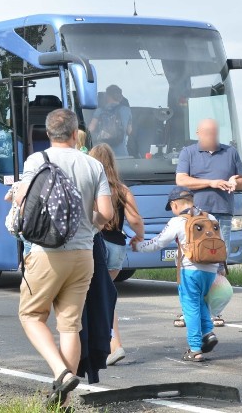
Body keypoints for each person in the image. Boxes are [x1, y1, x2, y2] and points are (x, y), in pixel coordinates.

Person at [17, 108, 113, 408]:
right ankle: (63, 400)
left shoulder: (37, 160)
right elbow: (107, 215)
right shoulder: (93, 165)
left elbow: (23, 200)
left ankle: (60, 372)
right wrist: (87, 225)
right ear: (75, 134)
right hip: (84, 255)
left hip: (47, 252)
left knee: (31, 315)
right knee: (70, 326)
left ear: (48, 134)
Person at [132, 187, 220, 362]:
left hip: (189, 270)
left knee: (190, 308)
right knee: (201, 301)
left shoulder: (178, 221)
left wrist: (138, 247)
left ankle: (195, 349)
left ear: (174, 204)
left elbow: (158, 242)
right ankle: (208, 333)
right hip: (211, 269)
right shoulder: (210, 218)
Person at [175, 118, 242, 326]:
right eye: (207, 134)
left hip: (222, 214)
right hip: (196, 216)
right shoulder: (188, 153)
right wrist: (211, 182)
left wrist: (235, 181)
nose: (211, 137)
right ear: (198, 133)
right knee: (190, 261)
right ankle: (188, 311)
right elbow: (181, 180)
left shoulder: (230, 152)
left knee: (217, 262)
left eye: (214, 134)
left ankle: (214, 312)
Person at [89, 143, 145, 366]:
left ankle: (111, 345)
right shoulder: (122, 190)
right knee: (105, 296)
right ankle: (110, 345)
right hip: (117, 248)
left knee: (91, 298)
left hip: (97, 244)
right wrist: (139, 236)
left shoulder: (91, 187)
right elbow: (135, 220)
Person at [87, 85, 132, 157]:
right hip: (122, 153)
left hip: (104, 152)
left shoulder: (99, 111)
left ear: (108, 96)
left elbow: (90, 129)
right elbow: (130, 131)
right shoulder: (126, 110)